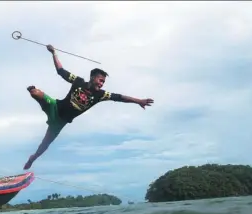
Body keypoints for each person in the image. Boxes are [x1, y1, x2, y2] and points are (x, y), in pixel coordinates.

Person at [23, 44, 154, 170]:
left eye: (103, 82)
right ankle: (34, 91)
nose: (101, 84)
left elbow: (120, 97)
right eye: (100, 80)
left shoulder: (101, 95)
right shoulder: (78, 81)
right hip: (55, 107)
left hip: (59, 122)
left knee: (45, 145)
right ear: (92, 77)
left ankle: (32, 159)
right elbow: (61, 71)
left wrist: (138, 101)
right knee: (35, 93)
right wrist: (54, 53)